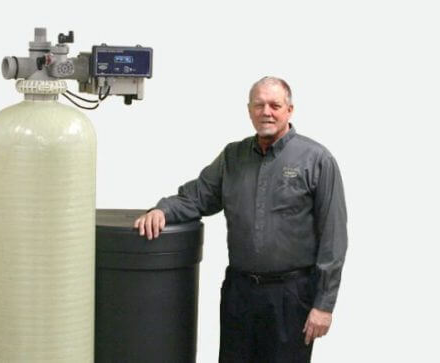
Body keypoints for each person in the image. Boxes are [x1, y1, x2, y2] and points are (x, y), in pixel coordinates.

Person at [134, 76, 347, 362]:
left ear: (290, 110)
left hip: (291, 297)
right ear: (249, 110)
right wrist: (161, 210)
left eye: (275, 105)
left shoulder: (316, 159)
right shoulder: (233, 157)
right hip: (241, 293)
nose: (266, 112)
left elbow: (333, 238)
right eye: (259, 105)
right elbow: (197, 197)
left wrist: (324, 305)